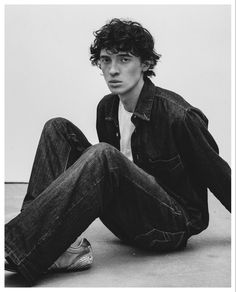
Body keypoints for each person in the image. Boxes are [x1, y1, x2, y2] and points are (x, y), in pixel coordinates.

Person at [5, 18, 231, 285]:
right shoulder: (107, 109)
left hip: (168, 227)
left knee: (104, 155)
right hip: (128, 221)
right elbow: (111, 182)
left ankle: (21, 247)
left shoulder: (178, 115)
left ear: (145, 64)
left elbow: (219, 175)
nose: (113, 70)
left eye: (124, 60)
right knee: (57, 128)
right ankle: (42, 243)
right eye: (105, 60)